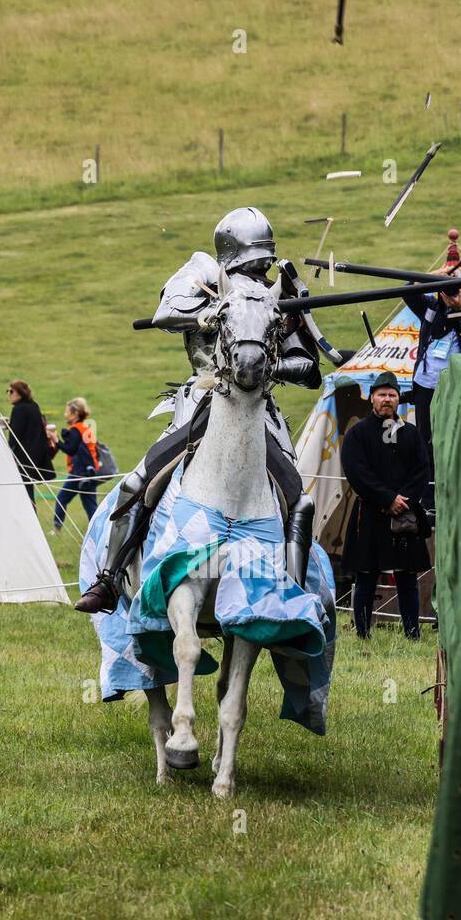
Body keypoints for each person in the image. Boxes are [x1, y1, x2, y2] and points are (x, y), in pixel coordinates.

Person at [72, 206, 324, 614]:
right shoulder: (204, 271)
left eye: (264, 263)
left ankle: (291, 596)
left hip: (259, 408)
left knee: (300, 501)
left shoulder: (276, 293)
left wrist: (267, 360)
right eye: (254, 261)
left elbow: (310, 371)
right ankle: (110, 576)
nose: (259, 271)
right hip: (205, 399)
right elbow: (166, 313)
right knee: (138, 481)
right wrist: (211, 313)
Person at [340, 372, 432, 640]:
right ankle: (362, 634)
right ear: (372, 398)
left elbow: (422, 471)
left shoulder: (411, 434)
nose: (387, 400)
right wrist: (387, 498)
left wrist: (404, 500)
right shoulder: (357, 433)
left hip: (404, 515)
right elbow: (357, 473)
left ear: (398, 400)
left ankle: (412, 634)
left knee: (407, 579)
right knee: (366, 577)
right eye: (382, 395)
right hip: (369, 513)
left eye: (392, 395)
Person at [402, 228, 461, 484]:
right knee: (425, 439)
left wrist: (460, 309)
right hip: (425, 387)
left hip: (455, 389)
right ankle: (428, 491)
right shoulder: (430, 309)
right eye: (448, 290)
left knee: (454, 439)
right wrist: (437, 275)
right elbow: (407, 289)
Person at [49, 397, 100, 533]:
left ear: (75, 413)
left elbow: (70, 449)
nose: (65, 415)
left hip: (79, 473)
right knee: (91, 507)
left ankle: (57, 529)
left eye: (67, 412)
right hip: (90, 472)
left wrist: (56, 441)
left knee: (61, 498)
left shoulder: (76, 429)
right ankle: (98, 532)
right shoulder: (86, 427)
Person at [5, 380, 54, 507]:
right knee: (28, 493)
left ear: (20, 393)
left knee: (24, 495)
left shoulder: (19, 409)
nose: (9, 394)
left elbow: (15, 435)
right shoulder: (34, 406)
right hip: (36, 456)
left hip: (23, 458)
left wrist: (7, 452)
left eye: (11, 391)